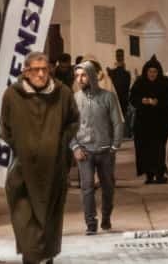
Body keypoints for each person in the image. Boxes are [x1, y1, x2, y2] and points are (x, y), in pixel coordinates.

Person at [1, 51, 80, 264]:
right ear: (26, 72)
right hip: (23, 171)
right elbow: (5, 127)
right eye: (36, 69)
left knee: (49, 221)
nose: (41, 74)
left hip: (53, 170)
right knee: (25, 220)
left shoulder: (62, 94)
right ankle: (33, 256)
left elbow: (74, 121)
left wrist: (60, 142)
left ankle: (46, 257)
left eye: (45, 69)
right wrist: (20, 146)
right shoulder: (12, 95)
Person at [70, 62, 124, 235]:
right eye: (77, 76)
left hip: (105, 150)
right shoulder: (75, 99)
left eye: (83, 75)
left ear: (92, 76)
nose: (80, 79)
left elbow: (118, 122)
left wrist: (115, 145)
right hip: (84, 151)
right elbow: (68, 126)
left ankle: (106, 217)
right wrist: (75, 146)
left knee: (108, 187)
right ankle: (91, 223)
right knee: (87, 188)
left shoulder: (108, 97)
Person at [130, 55, 168, 184]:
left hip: (160, 123)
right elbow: (132, 99)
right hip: (143, 123)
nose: (152, 74)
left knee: (159, 149)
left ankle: (159, 174)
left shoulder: (164, 83)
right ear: (146, 72)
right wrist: (142, 101)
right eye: (150, 71)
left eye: (155, 72)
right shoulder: (140, 83)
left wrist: (158, 102)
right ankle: (149, 174)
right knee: (145, 150)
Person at [107, 49, 133, 138]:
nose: (119, 57)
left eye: (120, 55)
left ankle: (120, 135)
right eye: (118, 55)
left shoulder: (126, 72)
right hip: (115, 97)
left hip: (123, 98)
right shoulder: (113, 71)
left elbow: (127, 85)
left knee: (122, 117)